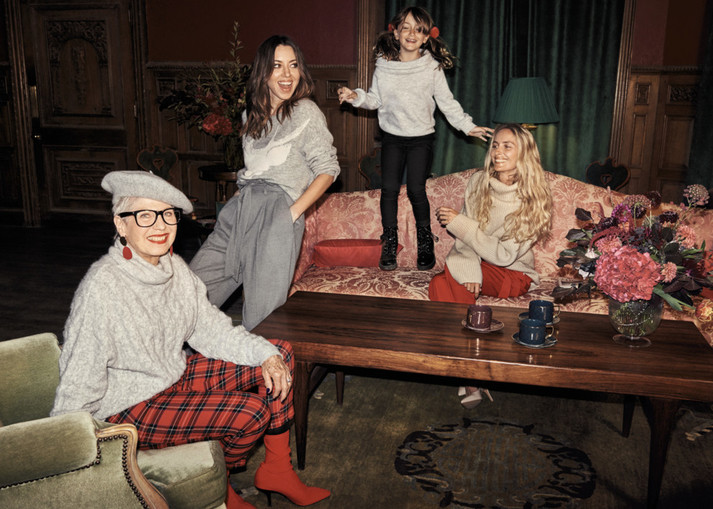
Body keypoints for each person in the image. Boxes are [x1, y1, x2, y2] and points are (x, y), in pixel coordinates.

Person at [51, 170, 330, 509]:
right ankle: (218, 487)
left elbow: (211, 330)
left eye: (167, 214)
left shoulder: (174, 268)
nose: (160, 225)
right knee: (251, 413)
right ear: (121, 224)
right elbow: (79, 372)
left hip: (172, 376)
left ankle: (277, 470)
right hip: (127, 407)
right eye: (145, 215)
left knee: (278, 354)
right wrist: (70, 447)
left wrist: (266, 355)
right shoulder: (102, 287)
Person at [189, 35, 340, 331]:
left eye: (293, 65)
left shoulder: (306, 111)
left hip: (278, 212)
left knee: (262, 316)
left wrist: (291, 214)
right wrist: (233, 205)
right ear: (263, 72)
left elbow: (328, 169)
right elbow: (253, 170)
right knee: (190, 295)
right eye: (277, 66)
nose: (287, 74)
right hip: (241, 209)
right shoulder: (250, 116)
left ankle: (261, 361)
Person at [338, 6, 492, 272]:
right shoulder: (384, 65)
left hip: (421, 139)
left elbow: (446, 102)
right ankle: (389, 242)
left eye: (418, 30)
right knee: (388, 190)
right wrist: (356, 97)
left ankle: (425, 242)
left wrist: (467, 127)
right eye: (406, 28)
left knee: (416, 190)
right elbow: (374, 100)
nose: (411, 34)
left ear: (426, 37)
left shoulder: (431, 67)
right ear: (396, 33)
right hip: (392, 137)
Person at [429, 123, 552, 408]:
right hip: (478, 264)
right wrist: (471, 268)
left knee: (448, 277)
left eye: (507, 146)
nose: (498, 152)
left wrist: (460, 224)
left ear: (524, 152)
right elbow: (465, 241)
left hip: (514, 273)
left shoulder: (534, 196)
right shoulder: (478, 182)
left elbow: (504, 255)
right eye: (495, 145)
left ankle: (468, 371)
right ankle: (474, 369)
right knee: (440, 282)